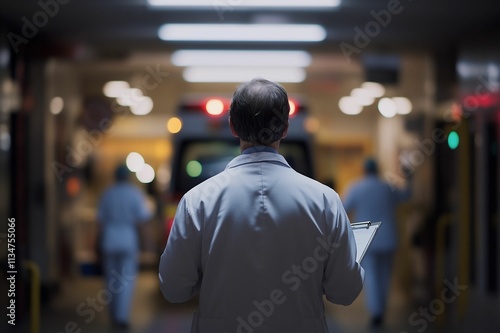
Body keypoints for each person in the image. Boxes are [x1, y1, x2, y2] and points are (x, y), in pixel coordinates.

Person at [158, 78, 364, 333]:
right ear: (285, 128)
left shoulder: (196, 201)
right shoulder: (325, 201)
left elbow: (174, 289)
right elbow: (344, 291)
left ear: (233, 126)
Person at [342, 158, 412, 328]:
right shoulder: (387, 187)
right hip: (388, 239)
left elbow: (343, 208)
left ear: (364, 170)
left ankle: (376, 313)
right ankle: (381, 309)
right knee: (385, 277)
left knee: (371, 276)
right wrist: (409, 177)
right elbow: (407, 195)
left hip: (368, 240)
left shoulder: (357, 188)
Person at [97, 164, 152, 330]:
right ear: (128, 177)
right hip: (128, 238)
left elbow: (99, 222)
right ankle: (121, 316)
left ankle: (113, 314)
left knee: (110, 279)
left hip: (109, 238)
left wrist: (97, 244)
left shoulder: (107, 193)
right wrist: (148, 244)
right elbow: (143, 222)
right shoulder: (135, 193)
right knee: (126, 279)